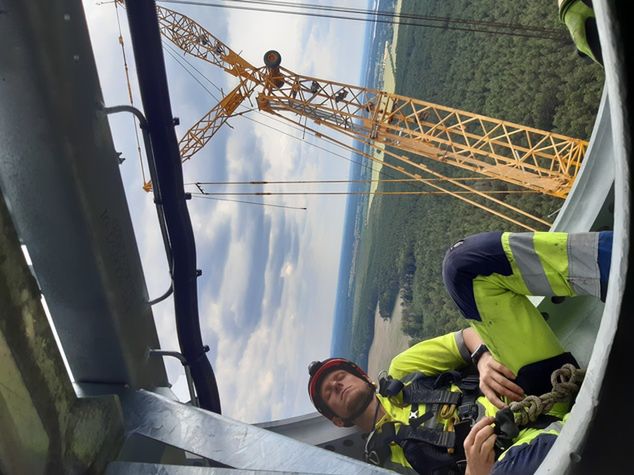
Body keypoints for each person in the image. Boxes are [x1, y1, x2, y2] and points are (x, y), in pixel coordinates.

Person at [308, 230, 612, 475]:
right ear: (337, 420)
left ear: (363, 375)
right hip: (516, 456)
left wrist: (482, 357)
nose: (336, 384)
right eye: (329, 393)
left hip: (530, 385)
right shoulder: (388, 464)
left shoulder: (401, 369)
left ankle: (610, 261)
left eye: (338, 376)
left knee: (461, 264)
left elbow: (466, 338)